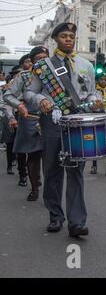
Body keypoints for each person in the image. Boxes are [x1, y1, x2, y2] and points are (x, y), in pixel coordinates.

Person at [24, 22, 103, 237]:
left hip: (76, 123)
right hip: (52, 122)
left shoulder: (86, 65)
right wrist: (41, 99)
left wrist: (96, 101)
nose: (68, 39)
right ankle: (55, 216)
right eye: (64, 36)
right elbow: (29, 93)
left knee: (76, 172)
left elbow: (91, 92)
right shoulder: (43, 67)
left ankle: (76, 222)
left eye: (71, 36)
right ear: (56, 39)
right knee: (52, 171)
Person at [3, 46, 49, 201]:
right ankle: (35, 187)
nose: (42, 62)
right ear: (32, 61)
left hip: (51, 119)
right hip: (30, 119)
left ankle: (50, 191)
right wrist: (20, 106)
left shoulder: (56, 76)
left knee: (51, 157)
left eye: (45, 58)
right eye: (38, 59)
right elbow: (8, 96)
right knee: (34, 155)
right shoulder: (23, 77)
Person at [1, 66, 23, 176]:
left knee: (21, 145)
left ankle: (22, 170)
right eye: (17, 74)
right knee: (10, 143)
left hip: (22, 116)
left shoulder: (27, 84)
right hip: (10, 117)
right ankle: (10, 165)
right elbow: (5, 104)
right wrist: (11, 117)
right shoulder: (8, 86)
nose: (18, 75)